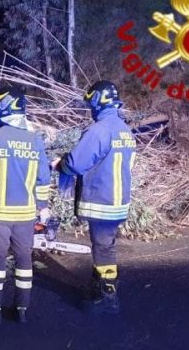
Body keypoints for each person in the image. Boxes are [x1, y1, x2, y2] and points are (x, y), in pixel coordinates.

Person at [0, 86, 51, 325]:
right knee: (24, 261)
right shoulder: (35, 140)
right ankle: (22, 308)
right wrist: (42, 206)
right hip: (26, 214)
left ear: (5, 107)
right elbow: (43, 179)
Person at [56, 80, 136, 314]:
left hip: (102, 200)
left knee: (103, 248)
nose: (89, 108)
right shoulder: (123, 129)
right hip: (118, 201)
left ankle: (106, 297)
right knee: (106, 245)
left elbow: (77, 163)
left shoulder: (99, 130)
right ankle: (100, 286)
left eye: (90, 103)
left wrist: (61, 165)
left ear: (97, 102)